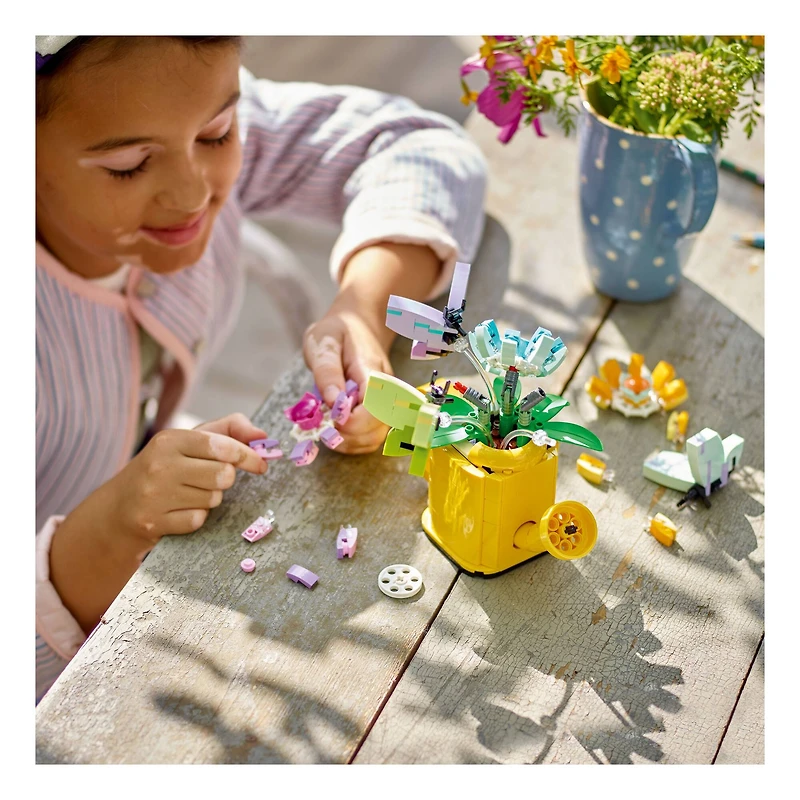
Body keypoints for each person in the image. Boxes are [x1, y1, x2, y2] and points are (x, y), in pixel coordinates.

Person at [35, 35, 487, 701]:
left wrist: (363, 308)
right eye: (129, 167)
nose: (192, 192)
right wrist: (105, 534)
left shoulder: (166, 100)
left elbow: (424, 146)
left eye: (219, 133)